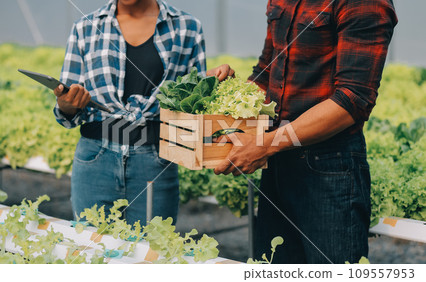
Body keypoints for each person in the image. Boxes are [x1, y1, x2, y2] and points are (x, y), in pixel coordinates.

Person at [214, 0, 397, 263]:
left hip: (327, 167)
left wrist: (265, 144)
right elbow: (267, 75)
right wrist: (231, 94)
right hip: (277, 162)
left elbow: (352, 100)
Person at [53, 0, 233, 225]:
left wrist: (212, 82)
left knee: (151, 254)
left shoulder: (187, 27)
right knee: (93, 252)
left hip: (155, 160)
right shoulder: (85, 27)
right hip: (95, 160)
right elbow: (69, 111)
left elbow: (191, 104)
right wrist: (67, 104)